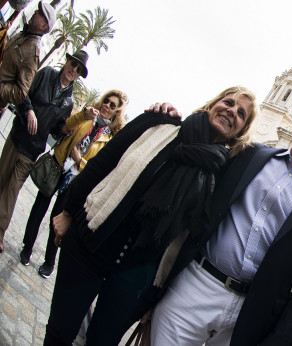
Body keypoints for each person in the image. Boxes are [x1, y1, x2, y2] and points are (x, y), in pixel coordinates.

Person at [45, 86, 258, 346]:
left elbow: (191, 239)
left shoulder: (220, 176)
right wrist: (67, 211)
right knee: (58, 332)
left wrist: (157, 296)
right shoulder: (160, 123)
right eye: (228, 102)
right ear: (213, 104)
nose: (231, 111)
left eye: (241, 114)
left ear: (241, 132)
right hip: (90, 243)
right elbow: (103, 164)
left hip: (136, 277)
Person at [150, 106, 292, 345]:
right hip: (193, 288)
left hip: (252, 316)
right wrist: (165, 115)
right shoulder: (248, 153)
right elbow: (203, 145)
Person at [19, 90, 128, 278]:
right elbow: (67, 126)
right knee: (39, 208)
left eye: (112, 106)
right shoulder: (87, 116)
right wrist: (82, 116)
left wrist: (80, 161)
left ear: (116, 113)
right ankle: (27, 247)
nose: (107, 106)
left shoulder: (109, 138)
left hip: (75, 180)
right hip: (58, 166)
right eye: (106, 101)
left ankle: (49, 261)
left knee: (58, 219)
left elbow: (98, 168)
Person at [0, 50, 87, 253]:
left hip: (32, 150)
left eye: (78, 69)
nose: (73, 70)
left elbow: (56, 130)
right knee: (2, 180)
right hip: (16, 137)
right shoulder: (46, 73)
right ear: (67, 62)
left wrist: (65, 129)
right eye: (73, 64)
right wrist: (29, 110)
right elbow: (24, 94)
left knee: (12, 190)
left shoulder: (69, 102)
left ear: (79, 75)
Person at [0, 0, 56, 109]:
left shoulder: (32, 54)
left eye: (40, 13)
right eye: (38, 10)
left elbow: (20, 94)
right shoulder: (22, 35)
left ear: (44, 26)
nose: (35, 12)